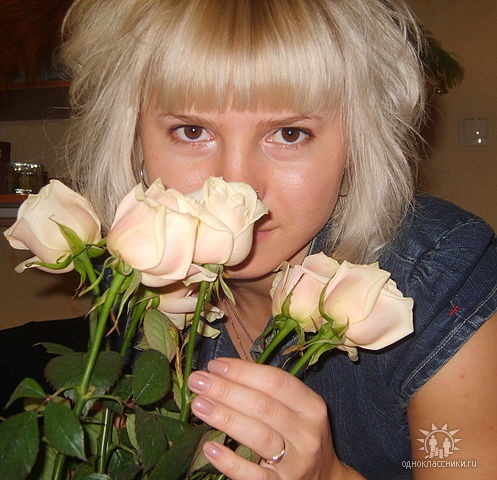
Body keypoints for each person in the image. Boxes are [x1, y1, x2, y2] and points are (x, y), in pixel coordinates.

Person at [45, 0, 497, 478]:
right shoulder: (140, 284)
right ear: (135, 144)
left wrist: (330, 476)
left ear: (358, 144)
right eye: (192, 131)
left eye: (289, 133)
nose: (239, 184)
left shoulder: (439, 279)